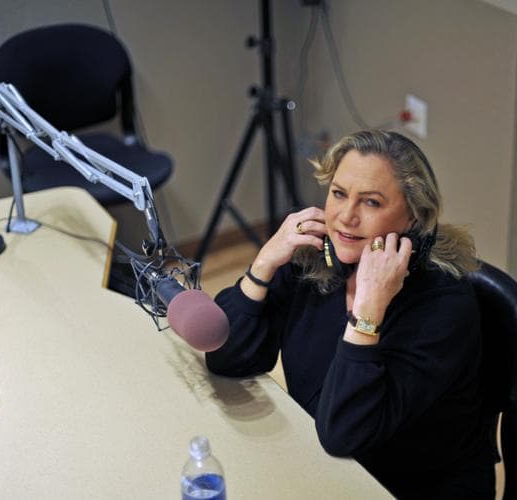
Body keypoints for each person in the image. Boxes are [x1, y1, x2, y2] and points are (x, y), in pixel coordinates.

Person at [206, 130, 497, 498]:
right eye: (339, 194)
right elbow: (227, 358)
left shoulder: (443, 307)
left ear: (413, 217)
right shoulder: (316, 257)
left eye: (371, 203)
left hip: (408, 486)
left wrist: (369, 309)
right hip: (324, 468)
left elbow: (346, 434)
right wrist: (264, 263)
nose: (345, 217)